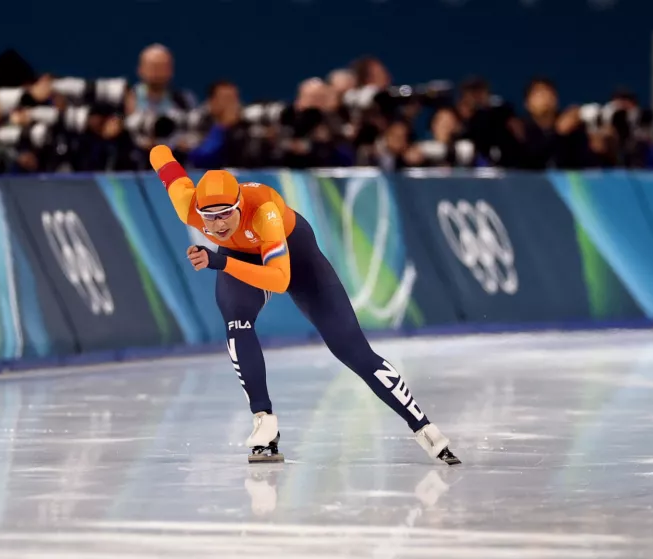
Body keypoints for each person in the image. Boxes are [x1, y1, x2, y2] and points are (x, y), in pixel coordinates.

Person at [148, 144, 459, 466]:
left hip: (296, 258)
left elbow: (280, 280)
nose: (218, 225)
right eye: (209, 218)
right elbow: (162, 159)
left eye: (226, 214)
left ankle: (423, 427)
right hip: (239, 258)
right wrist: (159, 147)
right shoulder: (187, 204)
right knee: (236, 323)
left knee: (352, 350)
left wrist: (220, 263)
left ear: (240, 204)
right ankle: (264, 419)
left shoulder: (264, 209)